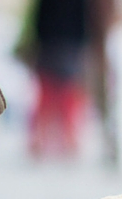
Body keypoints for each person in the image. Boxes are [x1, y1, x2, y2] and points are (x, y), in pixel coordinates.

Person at [24, 0, 91, 159]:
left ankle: (42, 142)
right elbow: (84, 23)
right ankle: (68, 142)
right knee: (67, 100)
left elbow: (38, 22)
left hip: (50, 48)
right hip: (69, 49)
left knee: (49, 100)